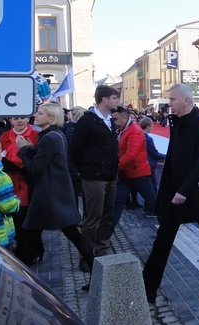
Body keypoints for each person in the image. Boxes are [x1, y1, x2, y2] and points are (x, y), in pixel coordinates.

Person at [143, 84, 199, 303]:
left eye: (172, 99)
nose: (169, 104)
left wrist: (184, 189)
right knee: (163, 239)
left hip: (196, 192)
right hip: (176, 194)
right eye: (169, 99)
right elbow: (174, 160)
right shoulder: (177, 122)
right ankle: (148, 287)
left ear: (186, 101)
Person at [16, 103, 95, 291]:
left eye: (40, 113)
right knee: (67, 233)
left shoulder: (50, 137)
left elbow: (35, 167)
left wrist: (23, 150)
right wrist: (30, 148)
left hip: (49, 196)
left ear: (51, 118)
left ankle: (17, 279)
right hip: (55, 193)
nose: (36, 114)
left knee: (30, 236)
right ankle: (97, 274)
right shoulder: (54, 135)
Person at [71, 85, 119, 266]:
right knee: (93, 217)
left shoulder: (109, 121)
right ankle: (87, 256)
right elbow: (76, 150)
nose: (117, 101)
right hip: (94, 176)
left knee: (107, 214)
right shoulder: (88, 121)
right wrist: (85, 170)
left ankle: (101, 248)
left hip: (110, 175)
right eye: (115, 98)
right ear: (104, 99)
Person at [0, 115, 42, 266]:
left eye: (23, 117)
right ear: (10, 120)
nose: (19, 121)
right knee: (17, 220)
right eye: (15, 118)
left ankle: (29, 253)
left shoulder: (36, 135)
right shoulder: (5, 136)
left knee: (29, 220)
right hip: (10, 182)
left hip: (29, 183)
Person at [112, 107, 156, 226]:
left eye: (116, 119)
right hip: (127, 173)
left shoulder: (134, 131)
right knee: (117, 204)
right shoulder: (123, 130)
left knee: (152, 200)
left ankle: (169, 223)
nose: (114, 121)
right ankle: (104, 236)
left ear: (124, 118)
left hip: (138, 173)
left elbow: (131, 155)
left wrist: (115, 167)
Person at [139, 117, 165, 191]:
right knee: (153, 189)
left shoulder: (138, 135)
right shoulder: (148, 139)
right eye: (152, 126)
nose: (152, 128)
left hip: (142, 166)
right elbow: (154, 154)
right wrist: (166, 156)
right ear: (147, 127)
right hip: (149, 166)